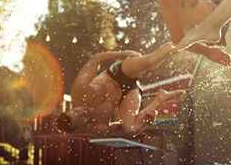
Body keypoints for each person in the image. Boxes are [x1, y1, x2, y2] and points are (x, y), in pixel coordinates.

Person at [55, 43, 184, 137]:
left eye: (77, 111)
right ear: (81, 127)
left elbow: (96, 59)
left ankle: (179, 42)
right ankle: (160, 98)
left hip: (118, 74)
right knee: (130, 130)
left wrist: (123, 53)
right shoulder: (97, 127)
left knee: (151, 62)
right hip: (127, 94)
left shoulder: (79, 91)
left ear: (71, 109)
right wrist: (144, 121)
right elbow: (121, 127)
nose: (83, 111)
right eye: (82, 117)